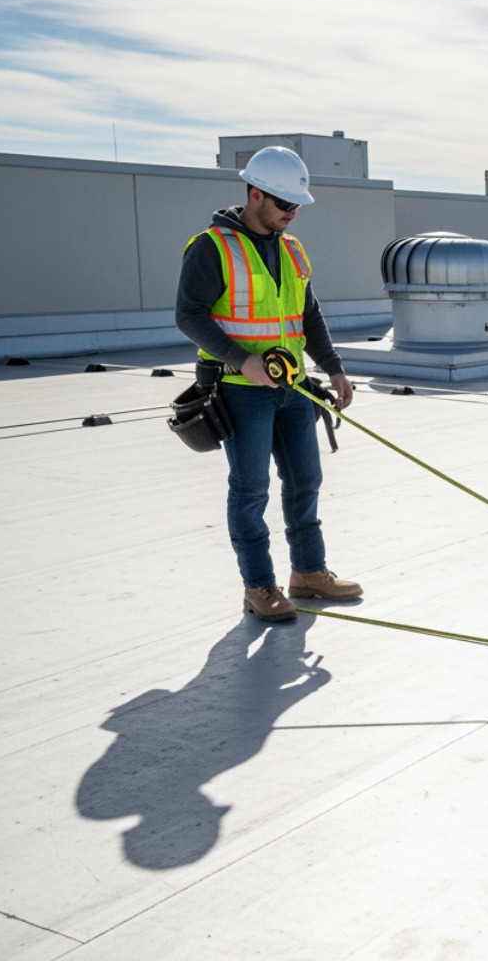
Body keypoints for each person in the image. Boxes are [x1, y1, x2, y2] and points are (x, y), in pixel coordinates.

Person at [175, 146, 361, 622]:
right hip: (239, 389)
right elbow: (188, 315)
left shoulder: (293, 249)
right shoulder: (211, 247)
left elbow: (309, 315)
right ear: (255, 194)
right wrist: (242, 359)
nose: (291, 214)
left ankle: (309, 573)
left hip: (292, 386)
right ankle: (258, 586)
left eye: (296, 206)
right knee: (251, 489)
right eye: (283, 205)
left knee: (305, 481)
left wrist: (334, 367)